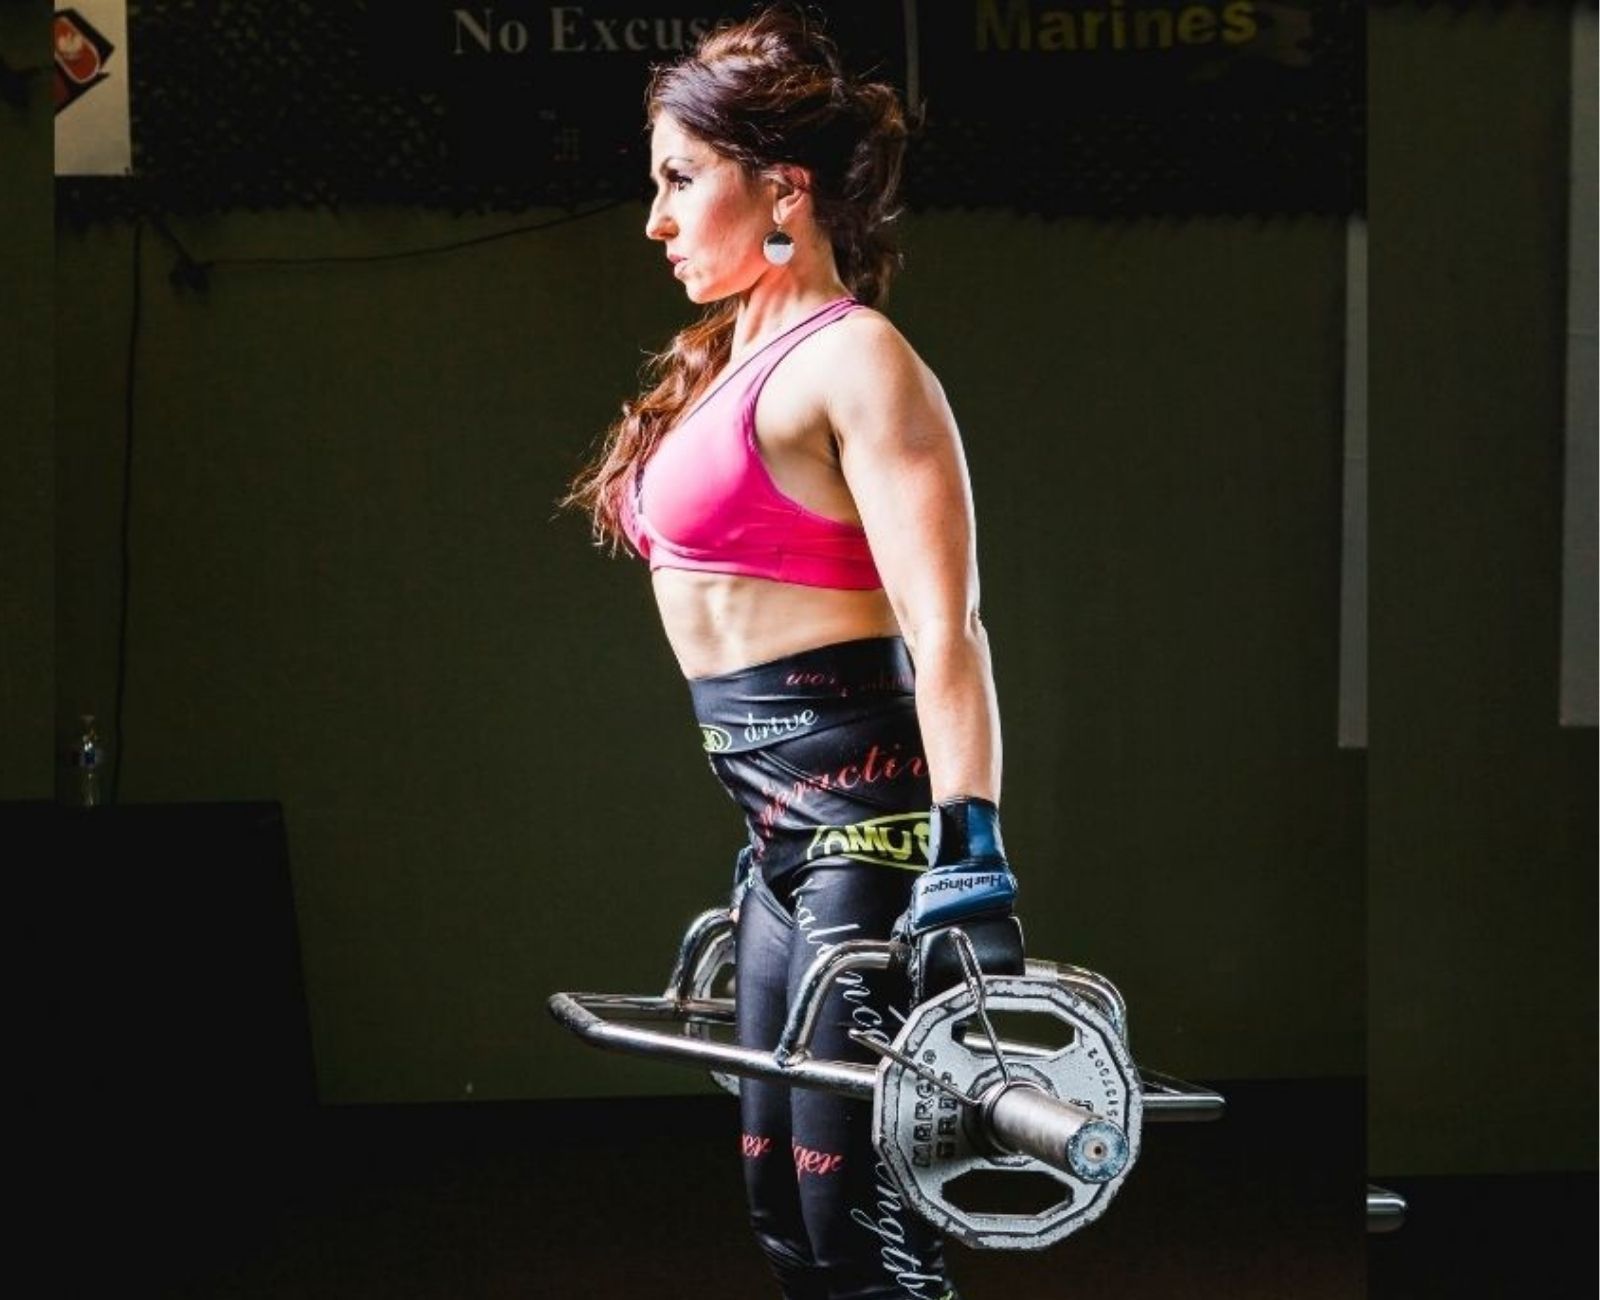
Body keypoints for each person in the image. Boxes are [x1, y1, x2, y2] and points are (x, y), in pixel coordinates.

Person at [565, 8, 1024, 1298]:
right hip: (781, 841)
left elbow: (947, 626)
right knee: (786, 1214)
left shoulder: (858, 359)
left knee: (861, 1233)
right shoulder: (727, 359)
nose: (655, 221)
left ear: (784, 188)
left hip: (866, 843)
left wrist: (973, 854)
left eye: (679, 179)